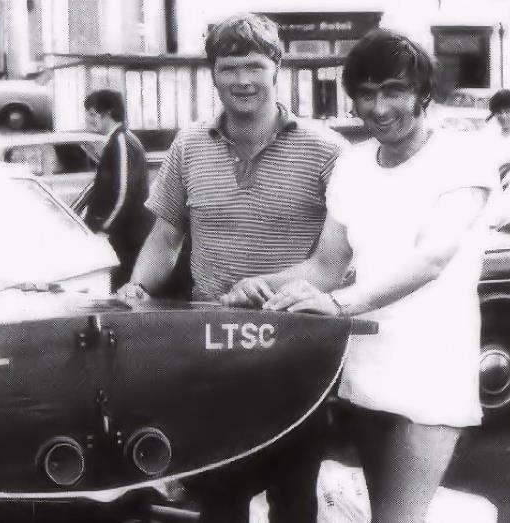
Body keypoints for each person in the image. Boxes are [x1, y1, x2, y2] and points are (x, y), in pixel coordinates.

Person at [222, 29, 497, 523]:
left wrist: (342, 305)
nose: (380, 107)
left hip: (431, 366)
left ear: (422, 93)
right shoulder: (352, 165)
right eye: (366, 94)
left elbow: (432, 259)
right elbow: (325, 266)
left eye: (395, 90)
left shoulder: (462, 157)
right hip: (365, 366)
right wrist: (257, 285)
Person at [118, 13, 345, 523]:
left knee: (293, 492)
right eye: (228, 68)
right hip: (210, 349)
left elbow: (341, 261)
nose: (242, 80)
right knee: (219, 491)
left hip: (296, 348)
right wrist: (136, 285)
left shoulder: (327, 149)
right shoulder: (188, 145)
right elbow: (166, 236)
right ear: (212, 73)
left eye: (253, 66)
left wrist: (274, 290)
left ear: (276, 68)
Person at [83, 89, 153, 290]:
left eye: (93, 114)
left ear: (108, 113)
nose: (89, 119)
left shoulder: (121, 141)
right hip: (125, 236)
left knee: (121, 292)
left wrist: (105, 228)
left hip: (126, 238)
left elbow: (123, 193)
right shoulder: (120, 140)